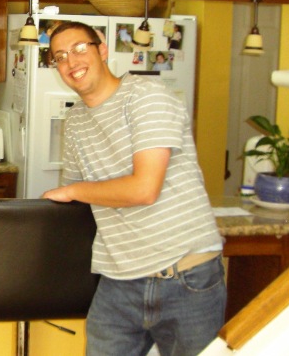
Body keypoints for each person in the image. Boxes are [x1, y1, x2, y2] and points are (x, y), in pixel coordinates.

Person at [43, 21, 225, 356]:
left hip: (185, 274)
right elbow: (71, 199)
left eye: (80, 48)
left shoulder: (147, 95)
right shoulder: (76, 121)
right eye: (60, 56)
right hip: (118, 278)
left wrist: (75, 191)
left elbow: (144, 189)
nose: (71, 61)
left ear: (102, 49)